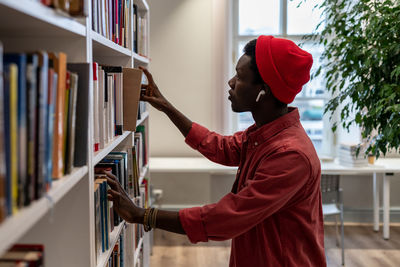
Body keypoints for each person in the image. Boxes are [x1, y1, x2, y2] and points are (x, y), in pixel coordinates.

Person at [105, 35, 326, 267]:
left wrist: (143, 215)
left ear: (264, 91)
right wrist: (166, 106)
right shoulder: (264, 134)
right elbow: (221, 147)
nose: (230, 82)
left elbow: (227, 218)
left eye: (240, 77)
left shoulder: (290, 155)